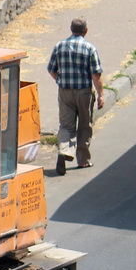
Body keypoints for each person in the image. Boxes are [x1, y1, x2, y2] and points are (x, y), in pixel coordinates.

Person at [47, 17, 104, 175]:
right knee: (84, 125)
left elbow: (51, 68)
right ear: (86, 30)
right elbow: (96, 74)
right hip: (84, 92)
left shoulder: (59, 46)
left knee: (66, 125)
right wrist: (100, 95)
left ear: (71, 29)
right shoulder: (89, 48)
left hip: (65, 91)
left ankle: (64, 151)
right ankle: (83, 159)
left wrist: (59, 79)